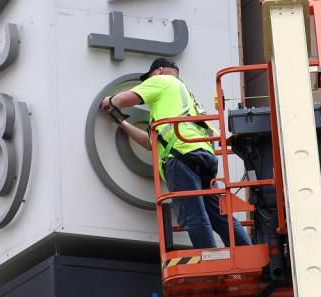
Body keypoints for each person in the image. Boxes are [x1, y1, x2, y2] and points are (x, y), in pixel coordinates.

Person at [100, 58, 251, 250]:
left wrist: (109, 101)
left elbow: (123, 100)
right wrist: (122, 123)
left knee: (193, 214)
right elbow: (151, 144)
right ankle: (247, 251)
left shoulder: (160, 81)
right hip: (202, 155)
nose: (146, 83)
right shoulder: (184, 96)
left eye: (149, 78)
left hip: (180, 155)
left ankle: (209, 259)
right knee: (218, 214)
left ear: (159, 70)